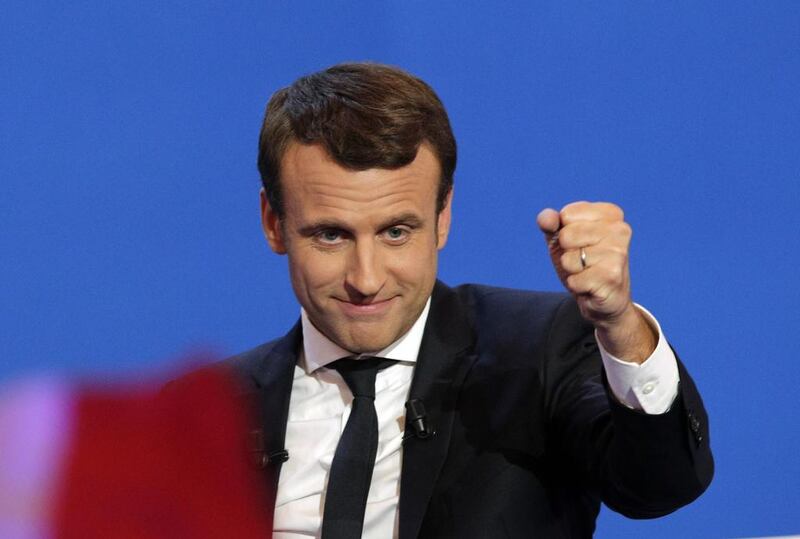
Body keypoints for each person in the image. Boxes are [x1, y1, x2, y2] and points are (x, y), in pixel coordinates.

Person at [227, 62, 713, 538]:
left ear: (442, 217)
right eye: (331, 235)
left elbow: (661, 485)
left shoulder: (536, 351)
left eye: (397, 232)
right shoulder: (216, 409)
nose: (367, 279)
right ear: (274, 222)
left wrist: (620, 325)